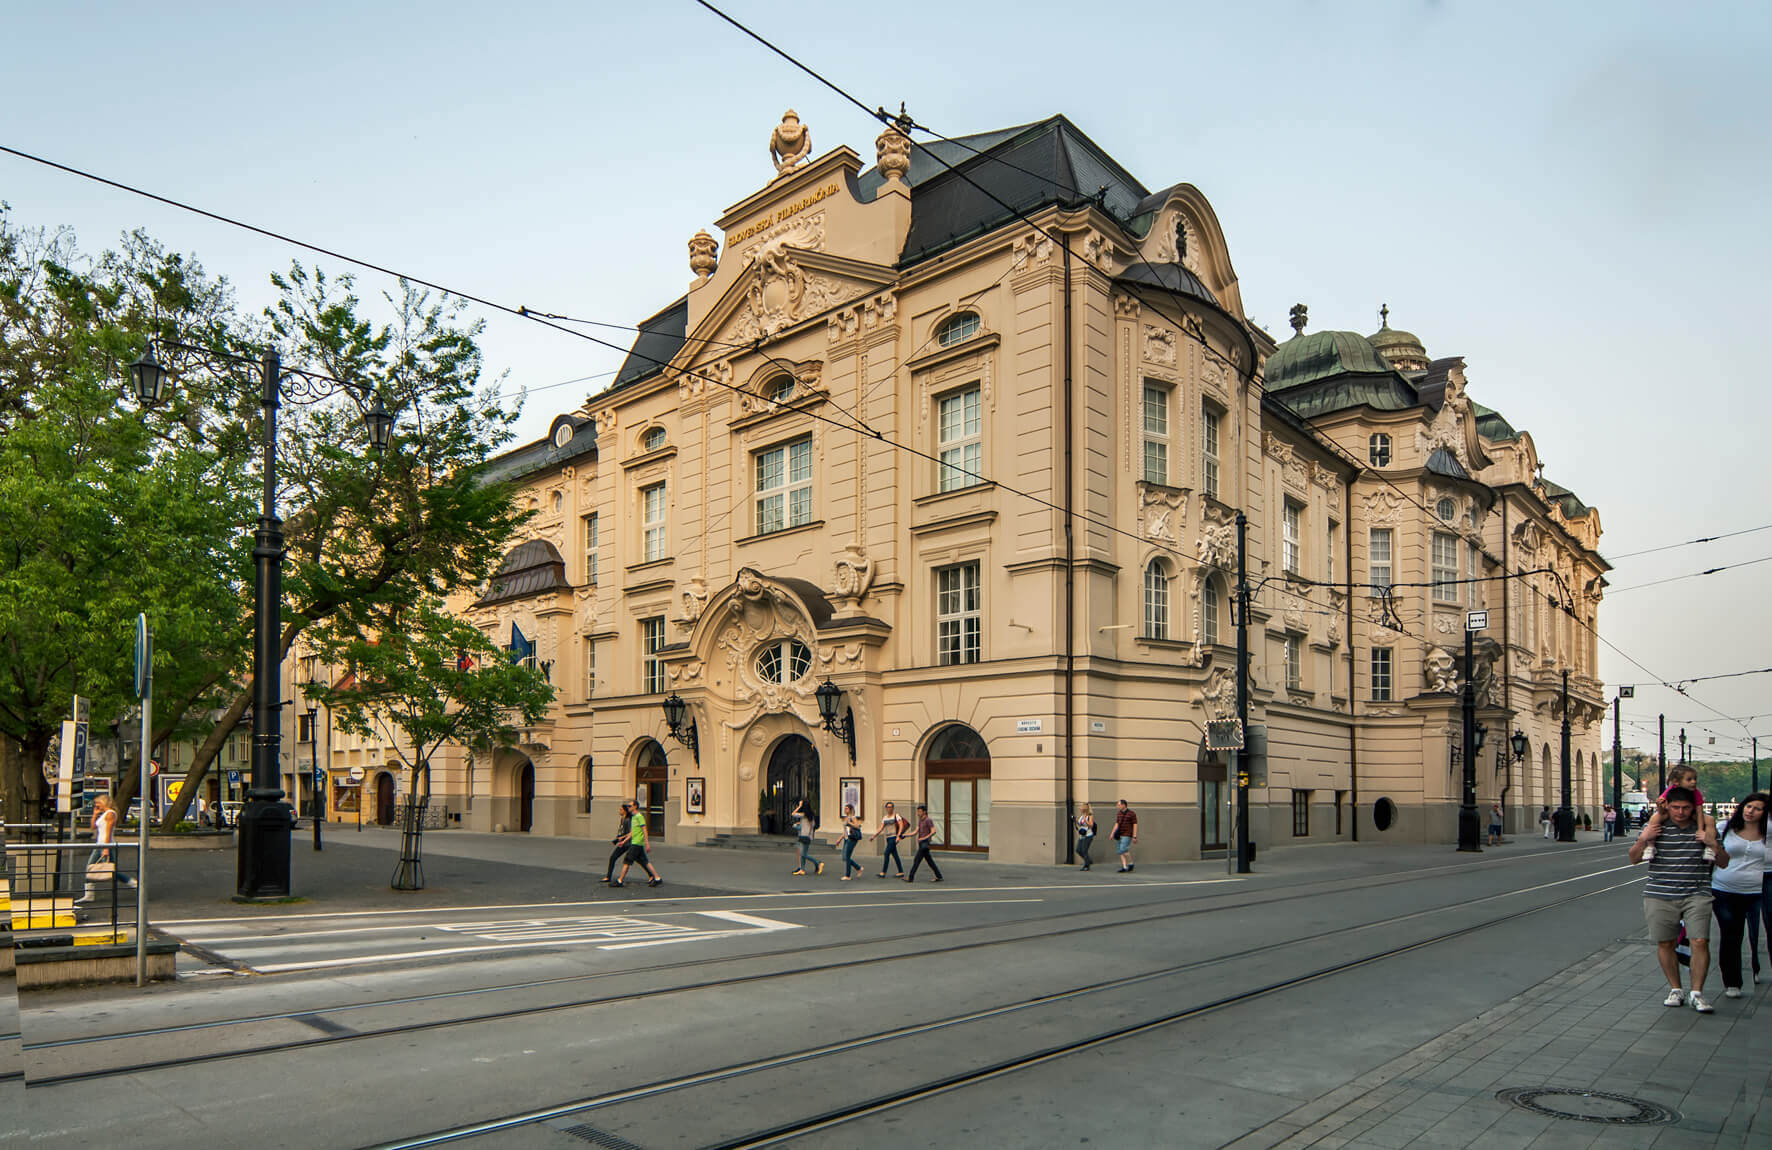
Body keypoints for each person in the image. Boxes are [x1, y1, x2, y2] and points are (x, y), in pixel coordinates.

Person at [1629, 785, 1725, 1012]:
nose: (1680, 812)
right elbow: (1633, 859)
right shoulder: (1656, 826)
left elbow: (1724, 862)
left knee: (1700, 940)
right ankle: (1676, 989)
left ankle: (1697, 992)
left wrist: (1711, 843)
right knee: (1666, 942)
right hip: (1659, 894)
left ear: (1694, 808)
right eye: (1675, 808)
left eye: (1685, 808)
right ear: (1667, 806)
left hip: (1697, 892)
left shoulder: (1704, 827)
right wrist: (1644, 839)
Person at [1711, 792, 1768, 997]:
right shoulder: (1724, 828)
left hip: (1757, 893)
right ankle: (1732, 983)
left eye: (1757, 808)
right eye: (1748, 806)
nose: (1751, 811)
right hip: (1724, 890)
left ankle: (1757, 969)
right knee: (1731, 935)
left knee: (1756, 935)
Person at [1642, 766, 1714, 863]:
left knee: (1710, 820)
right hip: (1669, 812)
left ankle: (1710, 848)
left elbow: (1699, 811)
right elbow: (1661, 808)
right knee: (1654, 818)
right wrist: (1659, 806)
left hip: (1692, 813)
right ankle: (1650, 846)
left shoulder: (1696, 792)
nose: (1693, 782)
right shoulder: (1671, 790)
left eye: (1695, 779)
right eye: (1689, 780)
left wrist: (1700, 830)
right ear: (1676, 782)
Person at [75, 795, 135, 905]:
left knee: (110, 871)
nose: (96, 805)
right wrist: (95, 814)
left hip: (106, 845)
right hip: (99, 845)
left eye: (97, 803)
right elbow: (93, 827)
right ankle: (89, 895)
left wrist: (106, 848)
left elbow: (108, 832)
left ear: (104, 803)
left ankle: (134, 884)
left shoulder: (110, 814)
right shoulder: (103, 814)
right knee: (91, 868)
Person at [613, 801, 662, 887]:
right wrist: (624, 841)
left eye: (630, 806)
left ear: (635, 807)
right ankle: (657, 878)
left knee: (627, 861)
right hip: (635, 842)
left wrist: (647, 843)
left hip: (637, 843)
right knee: (645, 861)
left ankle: (620, 880)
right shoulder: (634, 817)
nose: (628, 807)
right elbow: (632, 832)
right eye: (628, 806)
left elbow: (644, 830)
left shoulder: (639, 817)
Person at [904, 803, 943, 883]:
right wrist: (905, 835)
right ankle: (939, 876)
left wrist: (924, 838)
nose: (918, 813)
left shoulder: (928, 820)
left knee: (917, 860)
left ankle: (910, 877)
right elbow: (915, 831)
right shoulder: (920, 821)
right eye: (918, 811)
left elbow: (933, 831)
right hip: (921, 843)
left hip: (925, 844)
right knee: (929, 861)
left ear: (924, 812)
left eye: (919, 811)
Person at [872, 801, 908, 877]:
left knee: (886, 853)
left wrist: (898, 836)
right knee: (895, 855)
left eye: (891, 807)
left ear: (893, 808)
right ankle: (901, 871)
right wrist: (874, 836)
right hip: (888, 838)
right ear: (886, 808)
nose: (889, 808)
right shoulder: (885, 817)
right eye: (888, 807)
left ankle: (883, 872)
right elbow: (881, 828)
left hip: (894, 837)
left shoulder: (896, 816)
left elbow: (901, 826)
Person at [602, 800, 633, 884]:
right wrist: (618, 838)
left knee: (641, 860)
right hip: (623, 843)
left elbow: (630, 833)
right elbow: (621, 831)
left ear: (625, 811)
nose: (619, 811)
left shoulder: (628, 820)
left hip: (628, 844)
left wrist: (621, 838)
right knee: (613, 857)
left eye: (621, 810)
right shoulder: (622, 819)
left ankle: (652, 876)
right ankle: (608, 876)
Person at [791, 798, 823, 876]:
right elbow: (813, 826)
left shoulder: (803, 815)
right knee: (804, 853)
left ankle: (818, 863)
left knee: (803, 854)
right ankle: (802, 869)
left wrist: (799, 806)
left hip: (803, 835)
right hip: (809, 836)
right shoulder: (811, 815)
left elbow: (793, 813)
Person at [839, 804, 865, 880]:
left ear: (850, 810)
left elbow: (857, 826)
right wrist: (840, 839)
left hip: (852, 838)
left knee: (847, 856)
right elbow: (845, 831)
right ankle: (858, 868)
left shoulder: (852, 817)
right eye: (845, 808)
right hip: (846, 838)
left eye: (847, 808)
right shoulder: (845, 818)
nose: (845, 810)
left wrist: (849, 823)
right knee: (844, 857)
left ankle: (848, 875)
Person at [1113, 798, 1139, 873]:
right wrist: (1112, 833)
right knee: (1120, 851)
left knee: (1123, 849)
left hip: (1127, 834)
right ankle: (1124, 866)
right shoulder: (1119, 813)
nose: (1117, 806)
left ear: (1124, 805)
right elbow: (1116, 824)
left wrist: (1134, 836)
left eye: (1119, 805)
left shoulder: (1132, 814)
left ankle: (1130, 863)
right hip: (1119, 834)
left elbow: (1135, 825)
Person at [1076, 802, 1098, 870]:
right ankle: (1088, 860)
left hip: (1088, 835)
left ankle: (1086, 865)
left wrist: (1086, 820)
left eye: (1081, 807)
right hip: (1082, 835)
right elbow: (1080, 824)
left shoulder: (1090, 816)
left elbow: (1091, 825)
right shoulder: (1082, 816)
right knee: (1078, 849)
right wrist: (1075, 820)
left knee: (1084, 850)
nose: (1080, 809)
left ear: (1084, 809)